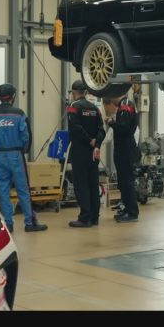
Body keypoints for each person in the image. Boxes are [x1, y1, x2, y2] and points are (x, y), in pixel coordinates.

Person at [0, 83, 47, 233]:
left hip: (0, 156)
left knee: (3, 190)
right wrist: (23, 150)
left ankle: (8, 223)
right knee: (23, 189)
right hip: (16, 155)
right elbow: (26, 136)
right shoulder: (19, 114)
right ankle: (29, 222)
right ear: (13, 96)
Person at [66, 80, 105, 228]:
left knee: (81, 184)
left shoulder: (73, 107)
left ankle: (85, 218)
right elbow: (101, 129)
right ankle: (94, 217)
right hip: (94, 152)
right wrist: (97, 144)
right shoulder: (95, 108)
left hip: (80, 150)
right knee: (92, 184)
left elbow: (75, 128)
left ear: (73, 92)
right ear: (86, 92)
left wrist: (89, 140)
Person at [106, 91, 140, 222]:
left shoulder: (125, 105)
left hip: (126, 149)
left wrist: (111, 122)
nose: (111, 100)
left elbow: (123, 128)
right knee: (123, 182)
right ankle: (127, 208)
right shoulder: (124, 105)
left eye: (111, 97)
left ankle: (132, 212)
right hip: (124, 148)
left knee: (127, 182)